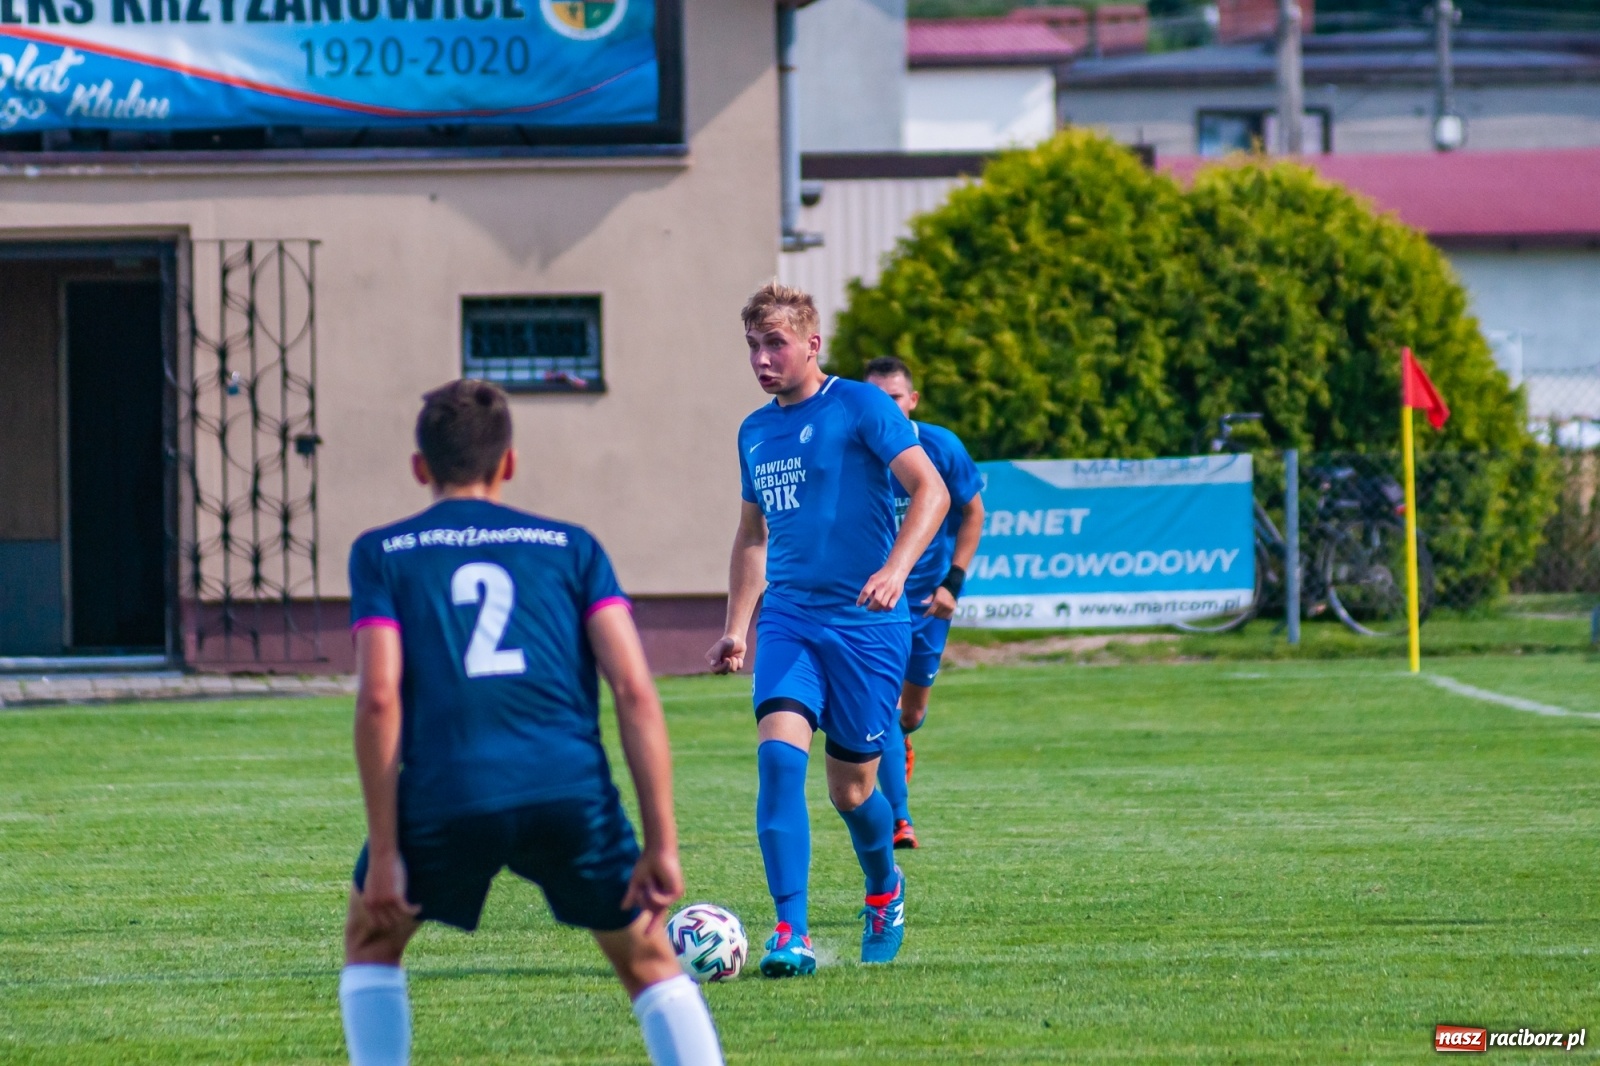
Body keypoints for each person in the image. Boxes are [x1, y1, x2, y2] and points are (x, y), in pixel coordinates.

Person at [339, 380, 724, 1066]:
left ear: (420, 468)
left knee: (373, 939)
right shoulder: (572, 547)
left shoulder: (383, 552)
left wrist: (388, 851)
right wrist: (662, 843)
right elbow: (635, 690)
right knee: (646, 958)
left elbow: (378, 698)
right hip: (567, 788)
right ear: (509, 462)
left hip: (447, 791)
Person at [706, 282, 950, 976]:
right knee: (779, 762)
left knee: (852, 793)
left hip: (868, 626)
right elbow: (754, 535)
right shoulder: (754, 432)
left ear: (812, 345)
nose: (761, 359)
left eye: (775, 344)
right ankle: (791, 931)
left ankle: (884, 888)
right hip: (791, 619)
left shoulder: (861, 406)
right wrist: (737, 626)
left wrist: (897, 570)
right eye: (753, 346)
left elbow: (931, 490)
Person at [862, 357, 986, 851]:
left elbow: (973, 513)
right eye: (874, 397)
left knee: (910, 714)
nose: (884, 405)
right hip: (875, 603)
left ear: (912, 400)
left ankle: (903, 743)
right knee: (885, 707)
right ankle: (899, 818)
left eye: (893, 396)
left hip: (928, 603)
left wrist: (953, 583)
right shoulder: (854, 448)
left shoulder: (940, 447)